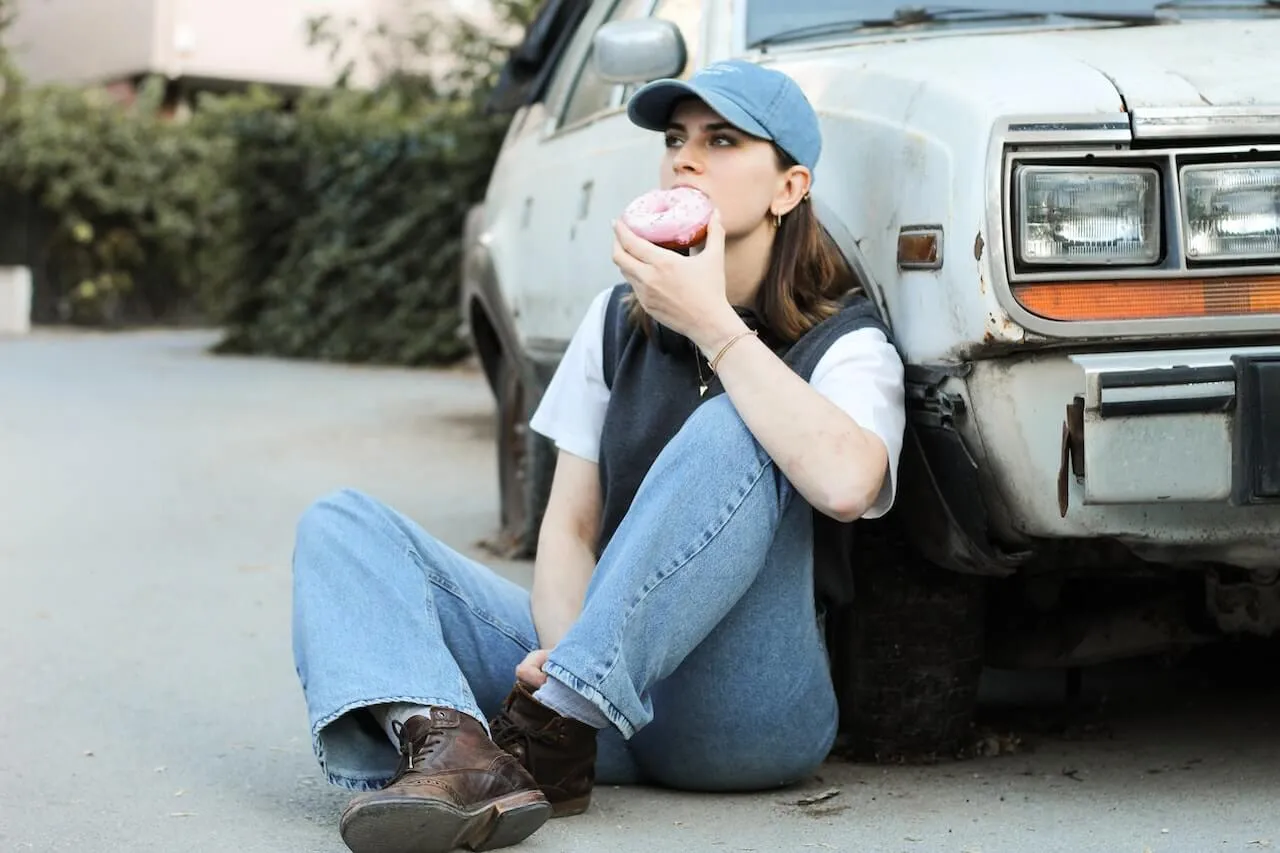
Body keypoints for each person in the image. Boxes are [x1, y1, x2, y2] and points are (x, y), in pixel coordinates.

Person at [290, 58, 906, 853]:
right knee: (342, 523)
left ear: (790, 187)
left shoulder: (847, 341)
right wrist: (561, 657)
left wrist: (717, 328)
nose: (686, 157)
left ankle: (555, 716)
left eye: (721, 140)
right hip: (593, 714)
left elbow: (850, 484)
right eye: (676, 139)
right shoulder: (614, 321)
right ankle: (455, 749)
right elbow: (571, 528)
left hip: (744, 716)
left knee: (737, 419)